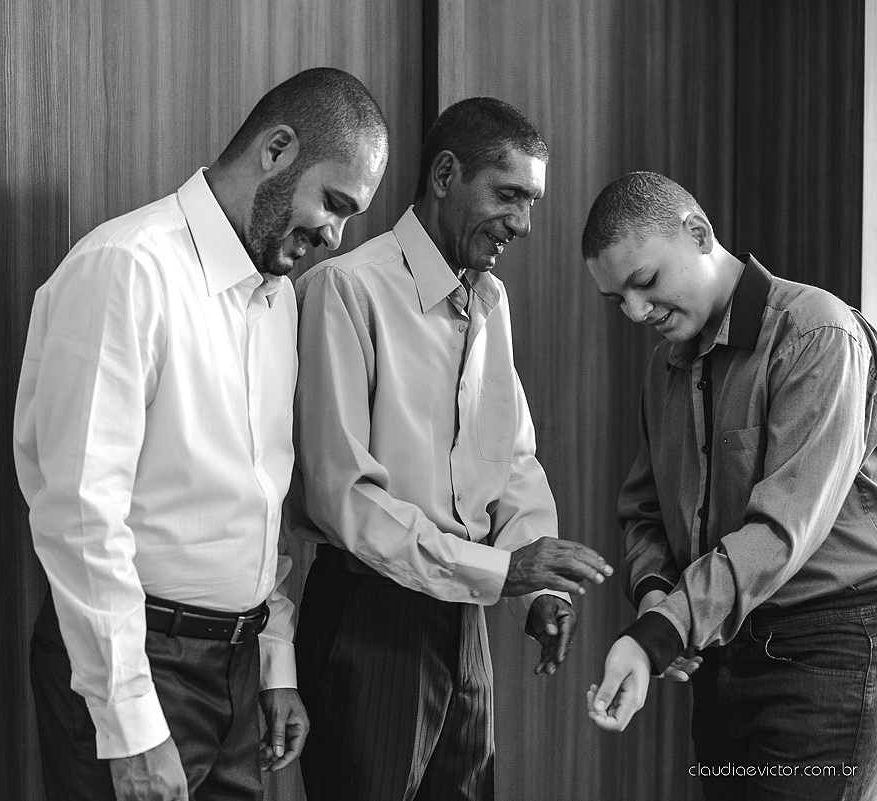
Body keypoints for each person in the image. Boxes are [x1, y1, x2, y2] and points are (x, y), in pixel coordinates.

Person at [13, 67, 389, 801]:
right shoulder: (126, 269)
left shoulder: (277, 298)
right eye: (334, 204)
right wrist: (130, 724)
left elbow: (263, 503)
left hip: (239, 665)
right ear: (277, 150)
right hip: (137, 661)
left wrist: (274, 660)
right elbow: (80, 516)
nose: (335, 235)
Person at [289, 96, 614, 801]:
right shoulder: (345, 289)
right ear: (444, 174)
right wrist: (502, 569)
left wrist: (538, 585)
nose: (524, 224)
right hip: (369, 620)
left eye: (531, 201)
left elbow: (514, 459)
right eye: (510, 195)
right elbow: (343, 499)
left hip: (466, 616)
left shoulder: (491, 301)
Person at [583, 171, 877, 800]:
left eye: (644, 283)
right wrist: (660, 604)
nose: (636, 312)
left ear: (698, 233)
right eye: (618, 301)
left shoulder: (817, 334)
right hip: (721, 653)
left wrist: (664, 631)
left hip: (825, 654)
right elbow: (645, 511)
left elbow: (781, 530)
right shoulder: (666, 366)